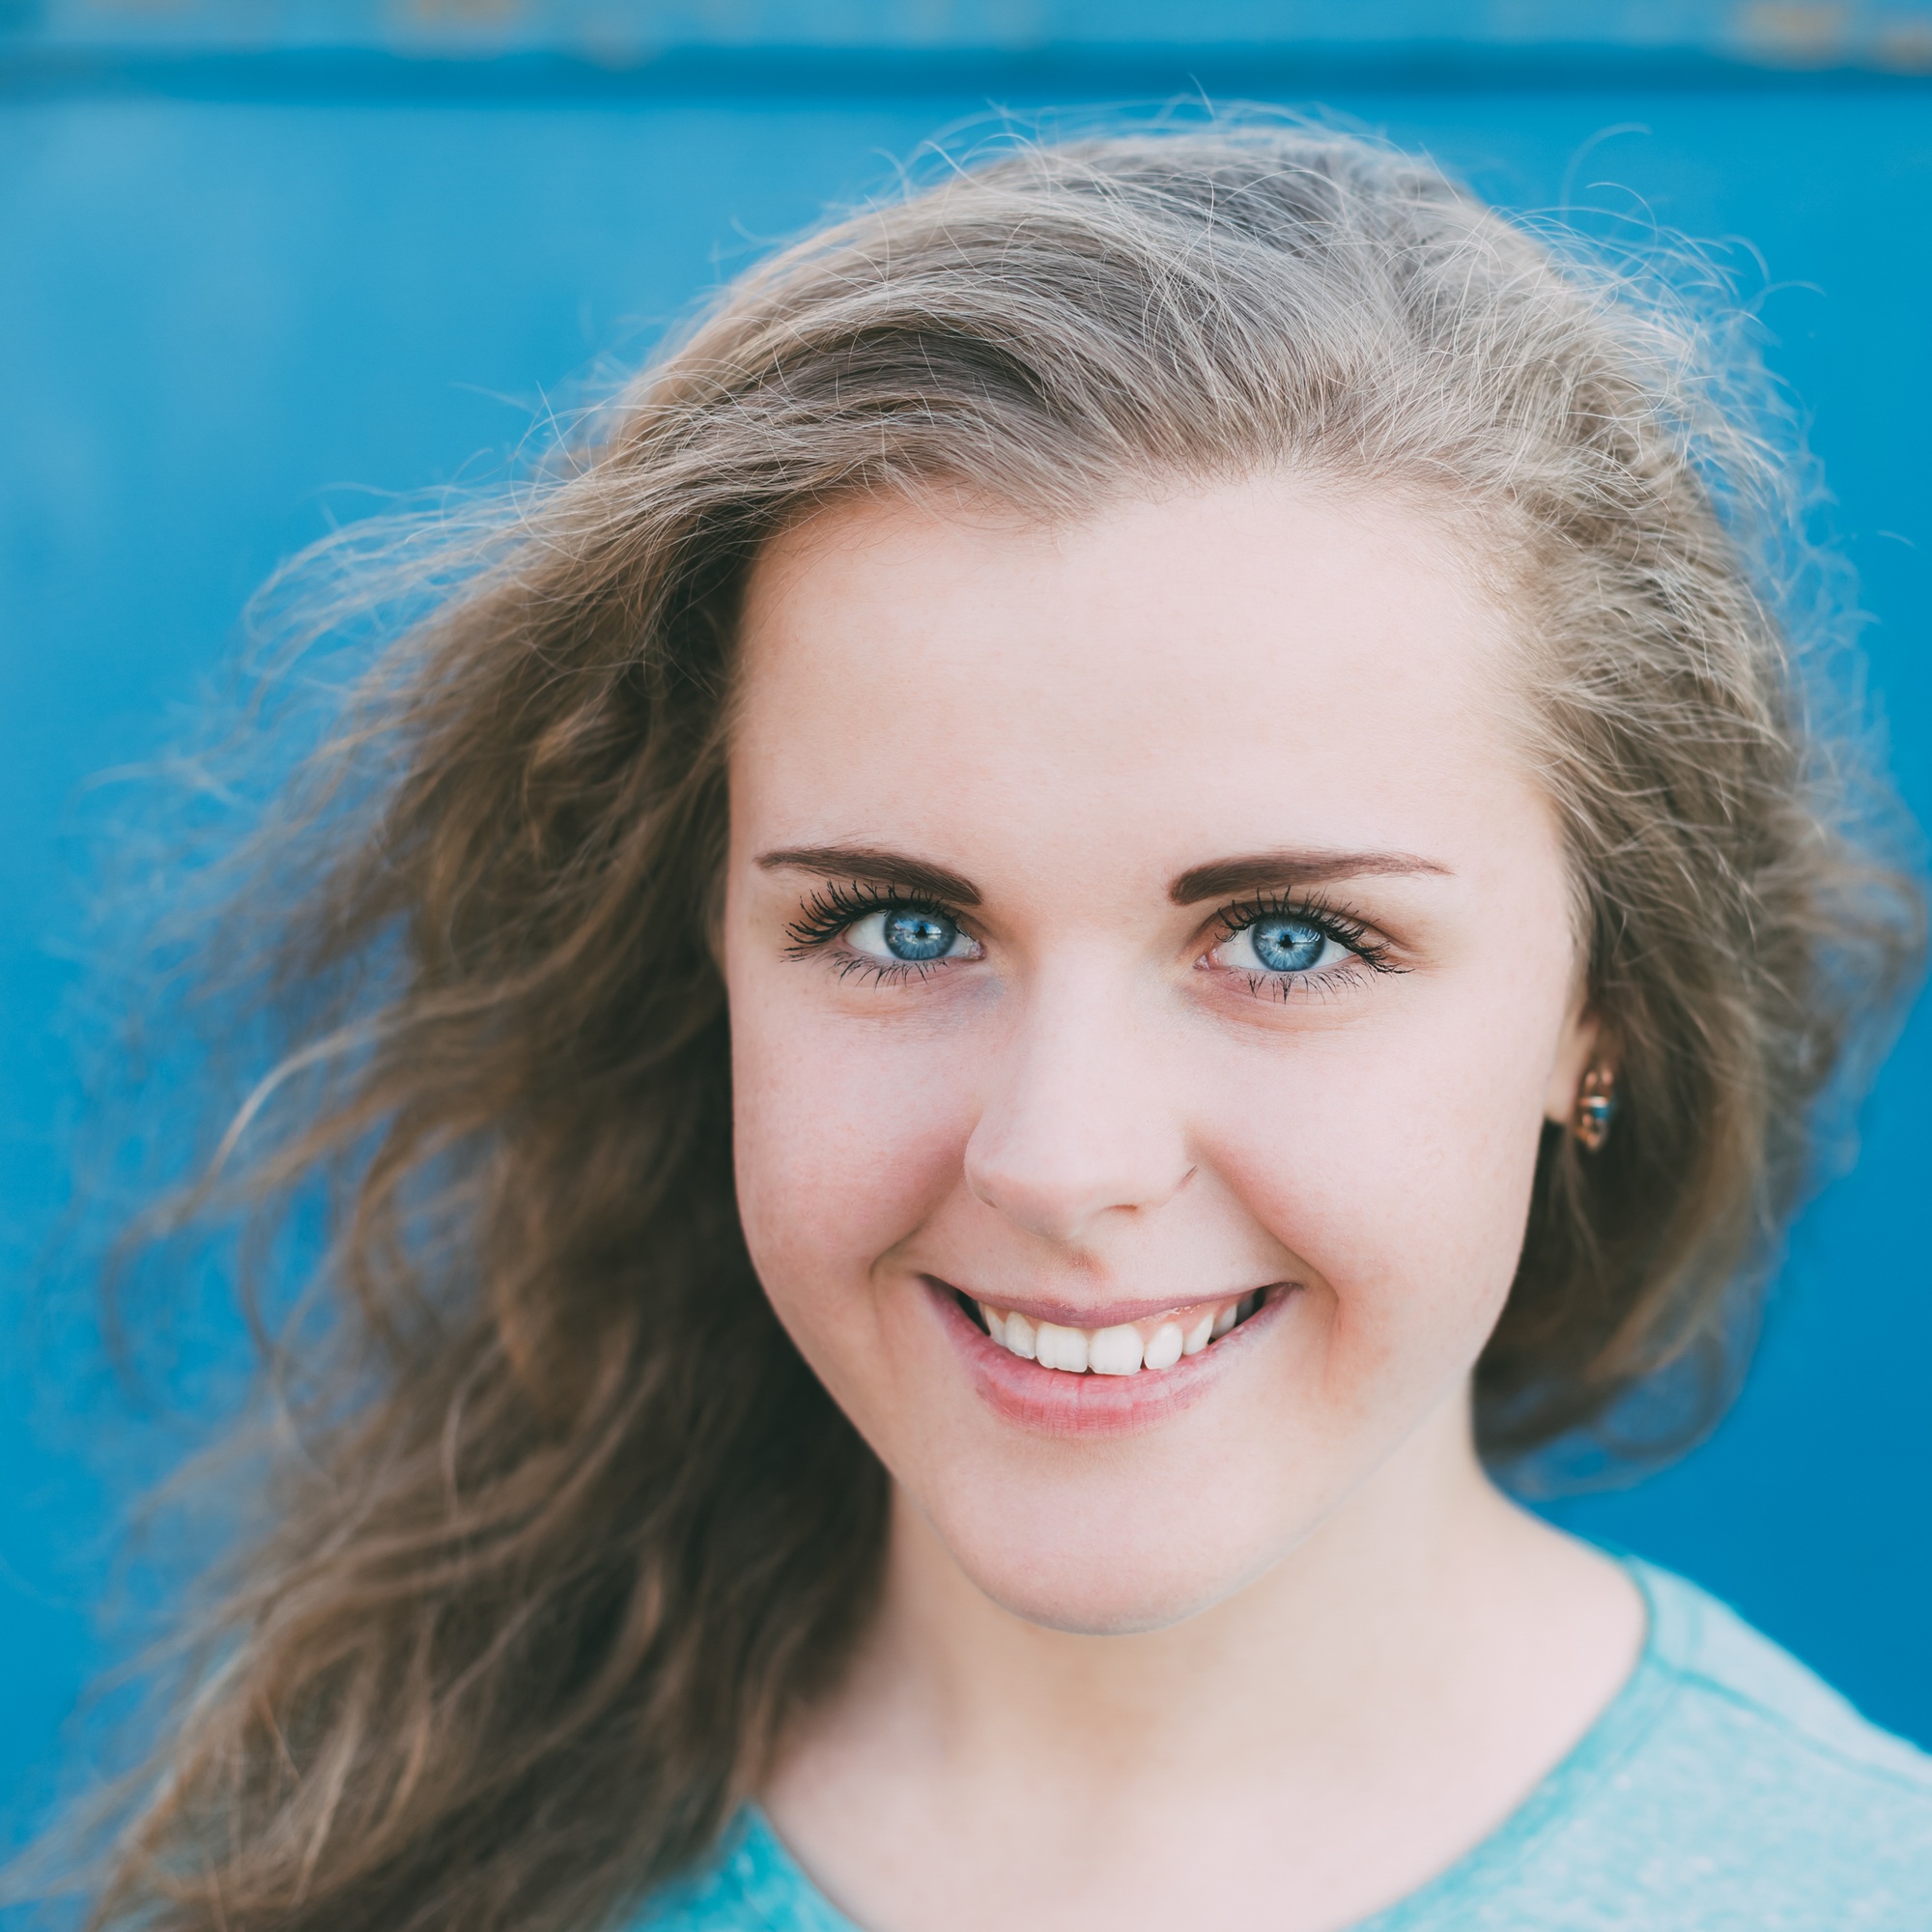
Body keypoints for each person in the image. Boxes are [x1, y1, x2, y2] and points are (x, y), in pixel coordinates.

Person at [77, 125, 1930, 1932]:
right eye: (894, 926)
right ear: (708, 957)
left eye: (1289, 941)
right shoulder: (361, 1842)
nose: (1061, 1158)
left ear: (1594, 1010)